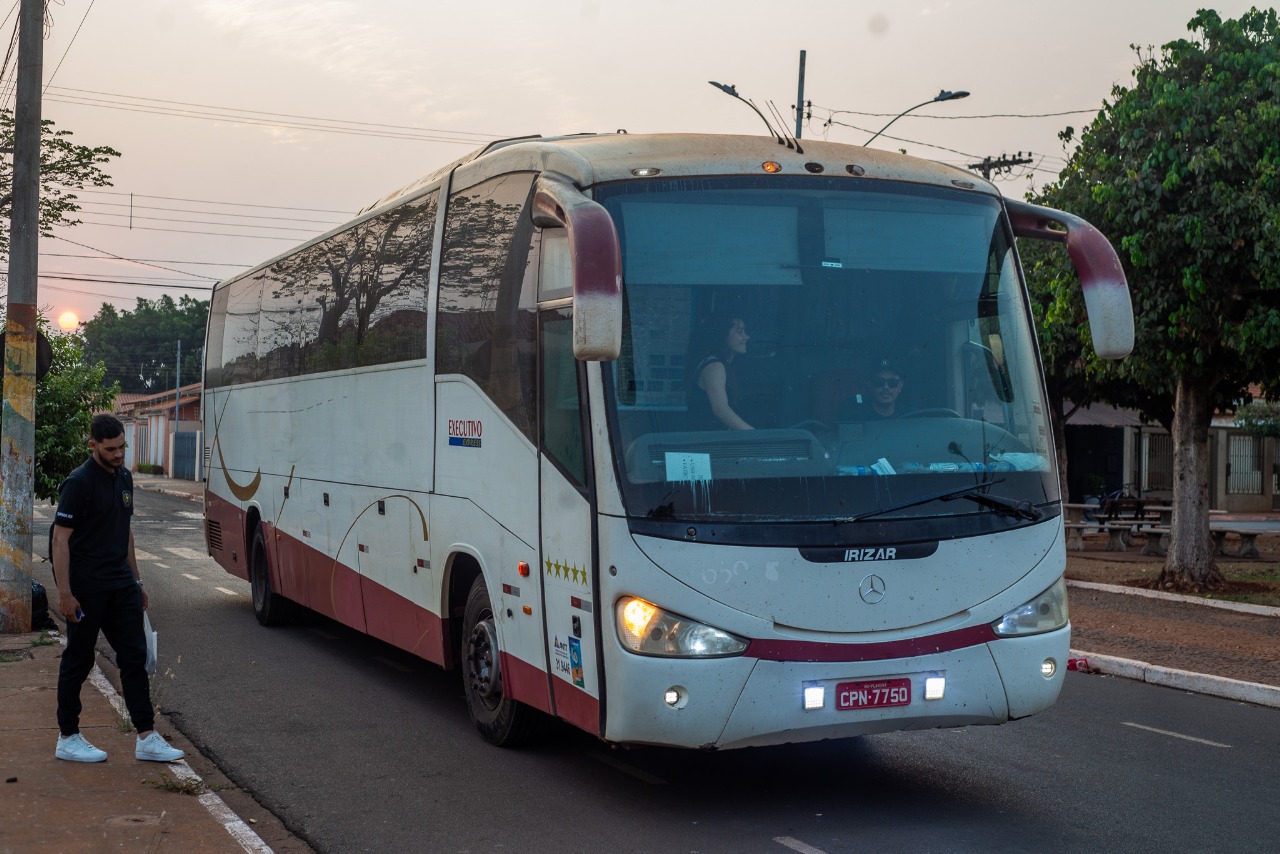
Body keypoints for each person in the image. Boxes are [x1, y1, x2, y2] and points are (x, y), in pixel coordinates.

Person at [51, 414, 185, 764]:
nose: (118, 454)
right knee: (79, 660)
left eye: (122, 446)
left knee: (135, 657)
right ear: (93, 445)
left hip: (121, 585)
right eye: (111, 449)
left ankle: (146, 736)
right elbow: (60, 541)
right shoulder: (78, 484)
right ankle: (68, 736)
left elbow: (125, 531)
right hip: (87, 588)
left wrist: (136, 581)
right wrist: (65, 593)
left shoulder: (124, 477)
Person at [687, 313, 754, 430]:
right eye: (740, 331)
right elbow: (721, 410)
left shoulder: (714, 364)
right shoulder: (715, 367)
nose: (746, 337)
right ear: (723, 335)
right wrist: (753, 435)